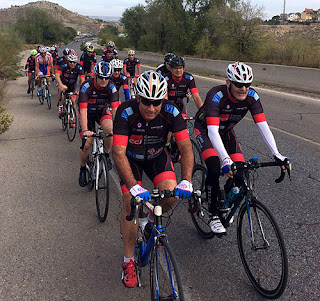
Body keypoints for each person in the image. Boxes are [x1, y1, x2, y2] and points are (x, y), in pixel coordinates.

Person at [112, 70, 194, 288]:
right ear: (138, 97)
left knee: (171, 194)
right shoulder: (125, 111)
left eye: (156, 102)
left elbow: (186, 148)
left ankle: (147, 219)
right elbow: (118, 152)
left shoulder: (172, 111)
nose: (151, 107)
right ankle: (128, 261)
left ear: (163, 99)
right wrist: (133, 187)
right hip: (131, 160)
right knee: (131, 203)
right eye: (146, 102)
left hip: (157, 157)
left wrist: (187, 180)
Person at [194, 62, 291, 234]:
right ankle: (213, 214)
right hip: (206, 131)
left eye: (247, 84)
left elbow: (263, 126)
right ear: (228, 83)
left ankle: (225, 201)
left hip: (227, 132)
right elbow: (213, 131)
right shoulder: (216, 95)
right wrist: (225, 160)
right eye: (239, 84)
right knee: (215, 168)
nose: (243, 88)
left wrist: (277, 154)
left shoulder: (252, 97)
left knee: (241, 173)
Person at [78, 61, 120, 186]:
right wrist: (85, 131)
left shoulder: (111, 87)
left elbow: (115, 111)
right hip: (87, 113)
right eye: (101, 77)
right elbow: (83, 110)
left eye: (107, 77)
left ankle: (106, 155)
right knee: (87, 144)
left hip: (101, 111)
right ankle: (82, 168)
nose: (104, 80)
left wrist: (119, 131)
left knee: (109, 128)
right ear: (95, 75)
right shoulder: (86, 86)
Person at [55, 53, 85, 119]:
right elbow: (57, 74)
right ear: (68, 61)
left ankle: (72, 117)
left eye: (74, 62)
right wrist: (60, 84)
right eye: (70, 62)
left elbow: (82, 79)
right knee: (61, 91)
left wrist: (80, 89)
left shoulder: (79, 67)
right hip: (64, 83)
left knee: (73, 101)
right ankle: (60, 107)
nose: (72, 64)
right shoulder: (64, 65)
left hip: (73, 85)